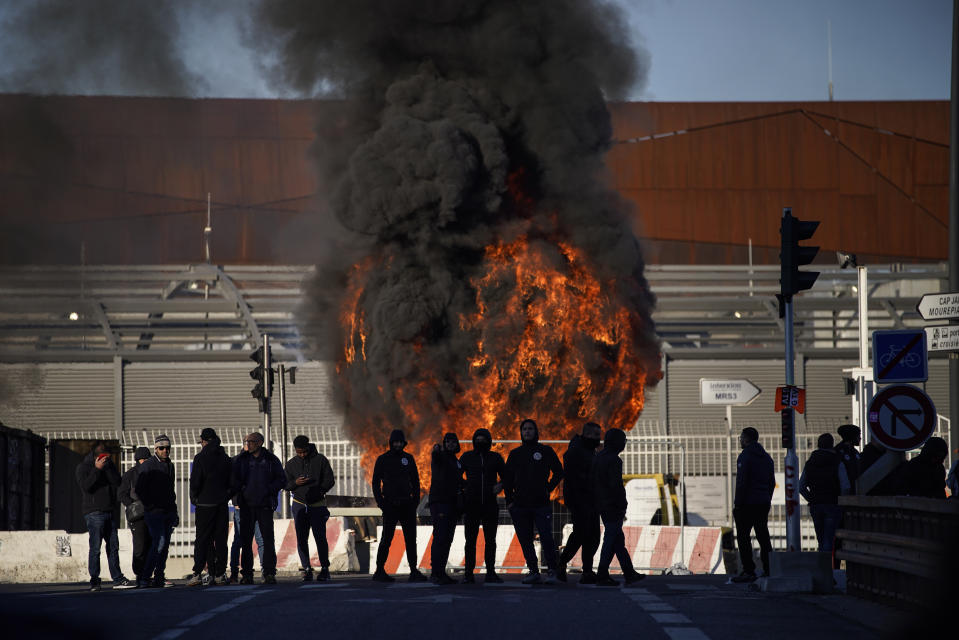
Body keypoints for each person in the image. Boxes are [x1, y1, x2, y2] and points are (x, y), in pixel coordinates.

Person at [503, 418, 564, 585]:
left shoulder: (545, 451)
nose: (527, 432)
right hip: (520, 505)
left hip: (541, 504)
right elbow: (507, 479)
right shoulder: (515, 454)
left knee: (547, 537)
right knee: (525, 539)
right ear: (521, 433)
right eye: (524, 429)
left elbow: (559, 471)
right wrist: (509, 501)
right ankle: (533, 571)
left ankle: (552, 570)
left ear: (536, 432)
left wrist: (548, 488)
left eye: (530, 429)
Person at [75, 441, 135, 591]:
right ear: (95, 456)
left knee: (113, 546)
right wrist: (97, 469)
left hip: (109, 511)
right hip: (94, 512)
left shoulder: (109, 466)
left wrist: (107, 468)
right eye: (102, 456)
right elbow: (86, 487)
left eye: (107, 456)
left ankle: (117, 578)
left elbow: (117, 482)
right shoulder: (83, 467)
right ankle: (95, 580)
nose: (105, 458)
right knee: (95, 548)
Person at [371, 429, 428, 583]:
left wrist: (415, 501)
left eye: (400, 442)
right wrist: (381, 503)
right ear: (391, 443)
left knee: (411, 539)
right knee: (386, 539)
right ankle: (380, 570)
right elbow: (376, 483)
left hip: (407, 506)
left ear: (404, 443)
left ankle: (413, 571)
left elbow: (416, 481)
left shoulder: (408, 459)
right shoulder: (382, 459)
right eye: (395, 442)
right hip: (390, 505)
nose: (398, 444)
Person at [590, 427, 644, 587]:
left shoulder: (598, 457)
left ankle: (629, 572)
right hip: (612, 505)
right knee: (611, 538)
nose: (624, 444)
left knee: (617, 540)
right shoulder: (614, 460)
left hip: (601, 504)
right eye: (623, 441)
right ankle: (602, 573)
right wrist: (622, 504)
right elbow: (616, 486)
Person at [232, 432, 286, 584]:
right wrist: (240, 491)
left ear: (260, 443)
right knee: (246, 541)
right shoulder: (241, 460)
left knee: (267, 540)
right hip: (247, 506)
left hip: (264, 506)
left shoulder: (270, 460)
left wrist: (268, 490)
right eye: (246, 441)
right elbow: (233, 480)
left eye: (252, 441)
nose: (248, 444)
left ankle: (269, 572)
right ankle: (247, 574)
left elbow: (281, 480)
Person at [285, 434, 336, 582]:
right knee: (302, 538)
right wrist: (296, 483)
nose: (302, 454)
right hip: (299, 505)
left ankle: (325, 568)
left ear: (309, 447)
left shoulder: (320, 460)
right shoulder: (291, 464)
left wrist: (320, 491)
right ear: (295, 450)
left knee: (320, 537)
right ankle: (306, 568)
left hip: (317, 505)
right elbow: (285, 484)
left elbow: (329, 479)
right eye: (299, 452)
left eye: (304, 451)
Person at [557, 422, 603, 584]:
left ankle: (587, 571)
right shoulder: (576, 451)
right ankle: (561, 564)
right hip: (580, 500)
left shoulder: (590, 451)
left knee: (593, 537)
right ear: (588, 435)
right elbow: (575, 477)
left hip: (591, 500)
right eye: (597, 435)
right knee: (581, 535)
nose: (599, 439)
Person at [459, 427, 506, 584]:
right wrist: (466, 486)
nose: (480, 442)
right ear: (473, 441)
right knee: (470, 541)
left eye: (483, 439)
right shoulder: (466, 457)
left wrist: (501, 485)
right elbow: (455, 475)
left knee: (490, 540)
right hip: (471, 505)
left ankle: (491, 572)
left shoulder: (495, 458)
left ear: (489, 442)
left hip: (490, 505)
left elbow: (507, 476)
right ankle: (468, 574)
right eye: (477, 439)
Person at [187, 428, 233, 587]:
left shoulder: (200, 458)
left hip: (205, 504)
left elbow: (195, 482)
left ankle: (198, 573)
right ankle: (220, 573)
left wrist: (195, 498)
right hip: (221, 504)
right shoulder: (225, 458)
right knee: (221, 539)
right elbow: (232, 483)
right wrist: (225, 496)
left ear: (205, 441)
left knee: (202, 539)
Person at [731, 427, 775, 583]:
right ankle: (769, 568)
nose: (740, 440)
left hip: (747, 504)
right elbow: (772, 483)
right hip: (762, 502)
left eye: (741, 437)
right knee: (763, 536)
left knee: (744, 537)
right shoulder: (767, 458)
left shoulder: (745, 456)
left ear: (747, 439)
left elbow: (742, 483)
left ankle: (749, 570)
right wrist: (766, 499)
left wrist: (738, 504)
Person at [135, 434, 179, 588]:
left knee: (165, 545)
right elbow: (139, 489)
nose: (165, 450)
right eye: (162, 448)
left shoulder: (170, 465)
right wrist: (150, 505)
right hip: (154, 512)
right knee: (158, 544)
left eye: (167, 448)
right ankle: (145, 577)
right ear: (156, 448)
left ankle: (159, 576)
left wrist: (175, 511)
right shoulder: (148, 465)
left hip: (167, 510)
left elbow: (171, 490)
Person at [798, 433, 850, 554]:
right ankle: (827, 570)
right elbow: (845, 486)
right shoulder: (837, 462)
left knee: (821, 539)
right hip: (832, 504)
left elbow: (801, 487)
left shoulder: (810, 463)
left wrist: (812, 498)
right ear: (832, 445)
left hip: (816, 505)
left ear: (818, 445)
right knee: (829, 539)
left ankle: (822, 567)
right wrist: (841, 502)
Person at [428, 432, 464, 585]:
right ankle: (436, 573)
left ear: (457, 444)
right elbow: (435, 458)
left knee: (447, 539)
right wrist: (436, 450)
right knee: (440, 538)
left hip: (452, 504)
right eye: (447, 442)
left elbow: (458, 481)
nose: (450, 444)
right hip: (440, 502)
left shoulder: (456, 461)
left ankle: (441, 572)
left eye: (453, 442)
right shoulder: (441, 456)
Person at [228, 440, 263, 583]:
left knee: (258, 539)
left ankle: (264, 570)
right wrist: (236, 502)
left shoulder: (259, 460)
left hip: (255, 506)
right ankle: (235, 571)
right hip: (242, 507)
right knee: (240, 540)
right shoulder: (237, 461)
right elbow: (232, 483)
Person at [118, 446, 152, 581]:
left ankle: (147, 574)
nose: (145, 462)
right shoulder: (130, 474)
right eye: (144, 459)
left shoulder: (151, 473)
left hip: (150, 513)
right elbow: (121, 494)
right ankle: (140, 573)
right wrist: (133, 506)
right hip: (137, 516)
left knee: (149, 544)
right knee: (140, 545)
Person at [834, 424, 861, 491]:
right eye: (858, 435)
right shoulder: (838, 452)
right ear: (852, 437)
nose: (860, 438)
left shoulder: (855, 452)